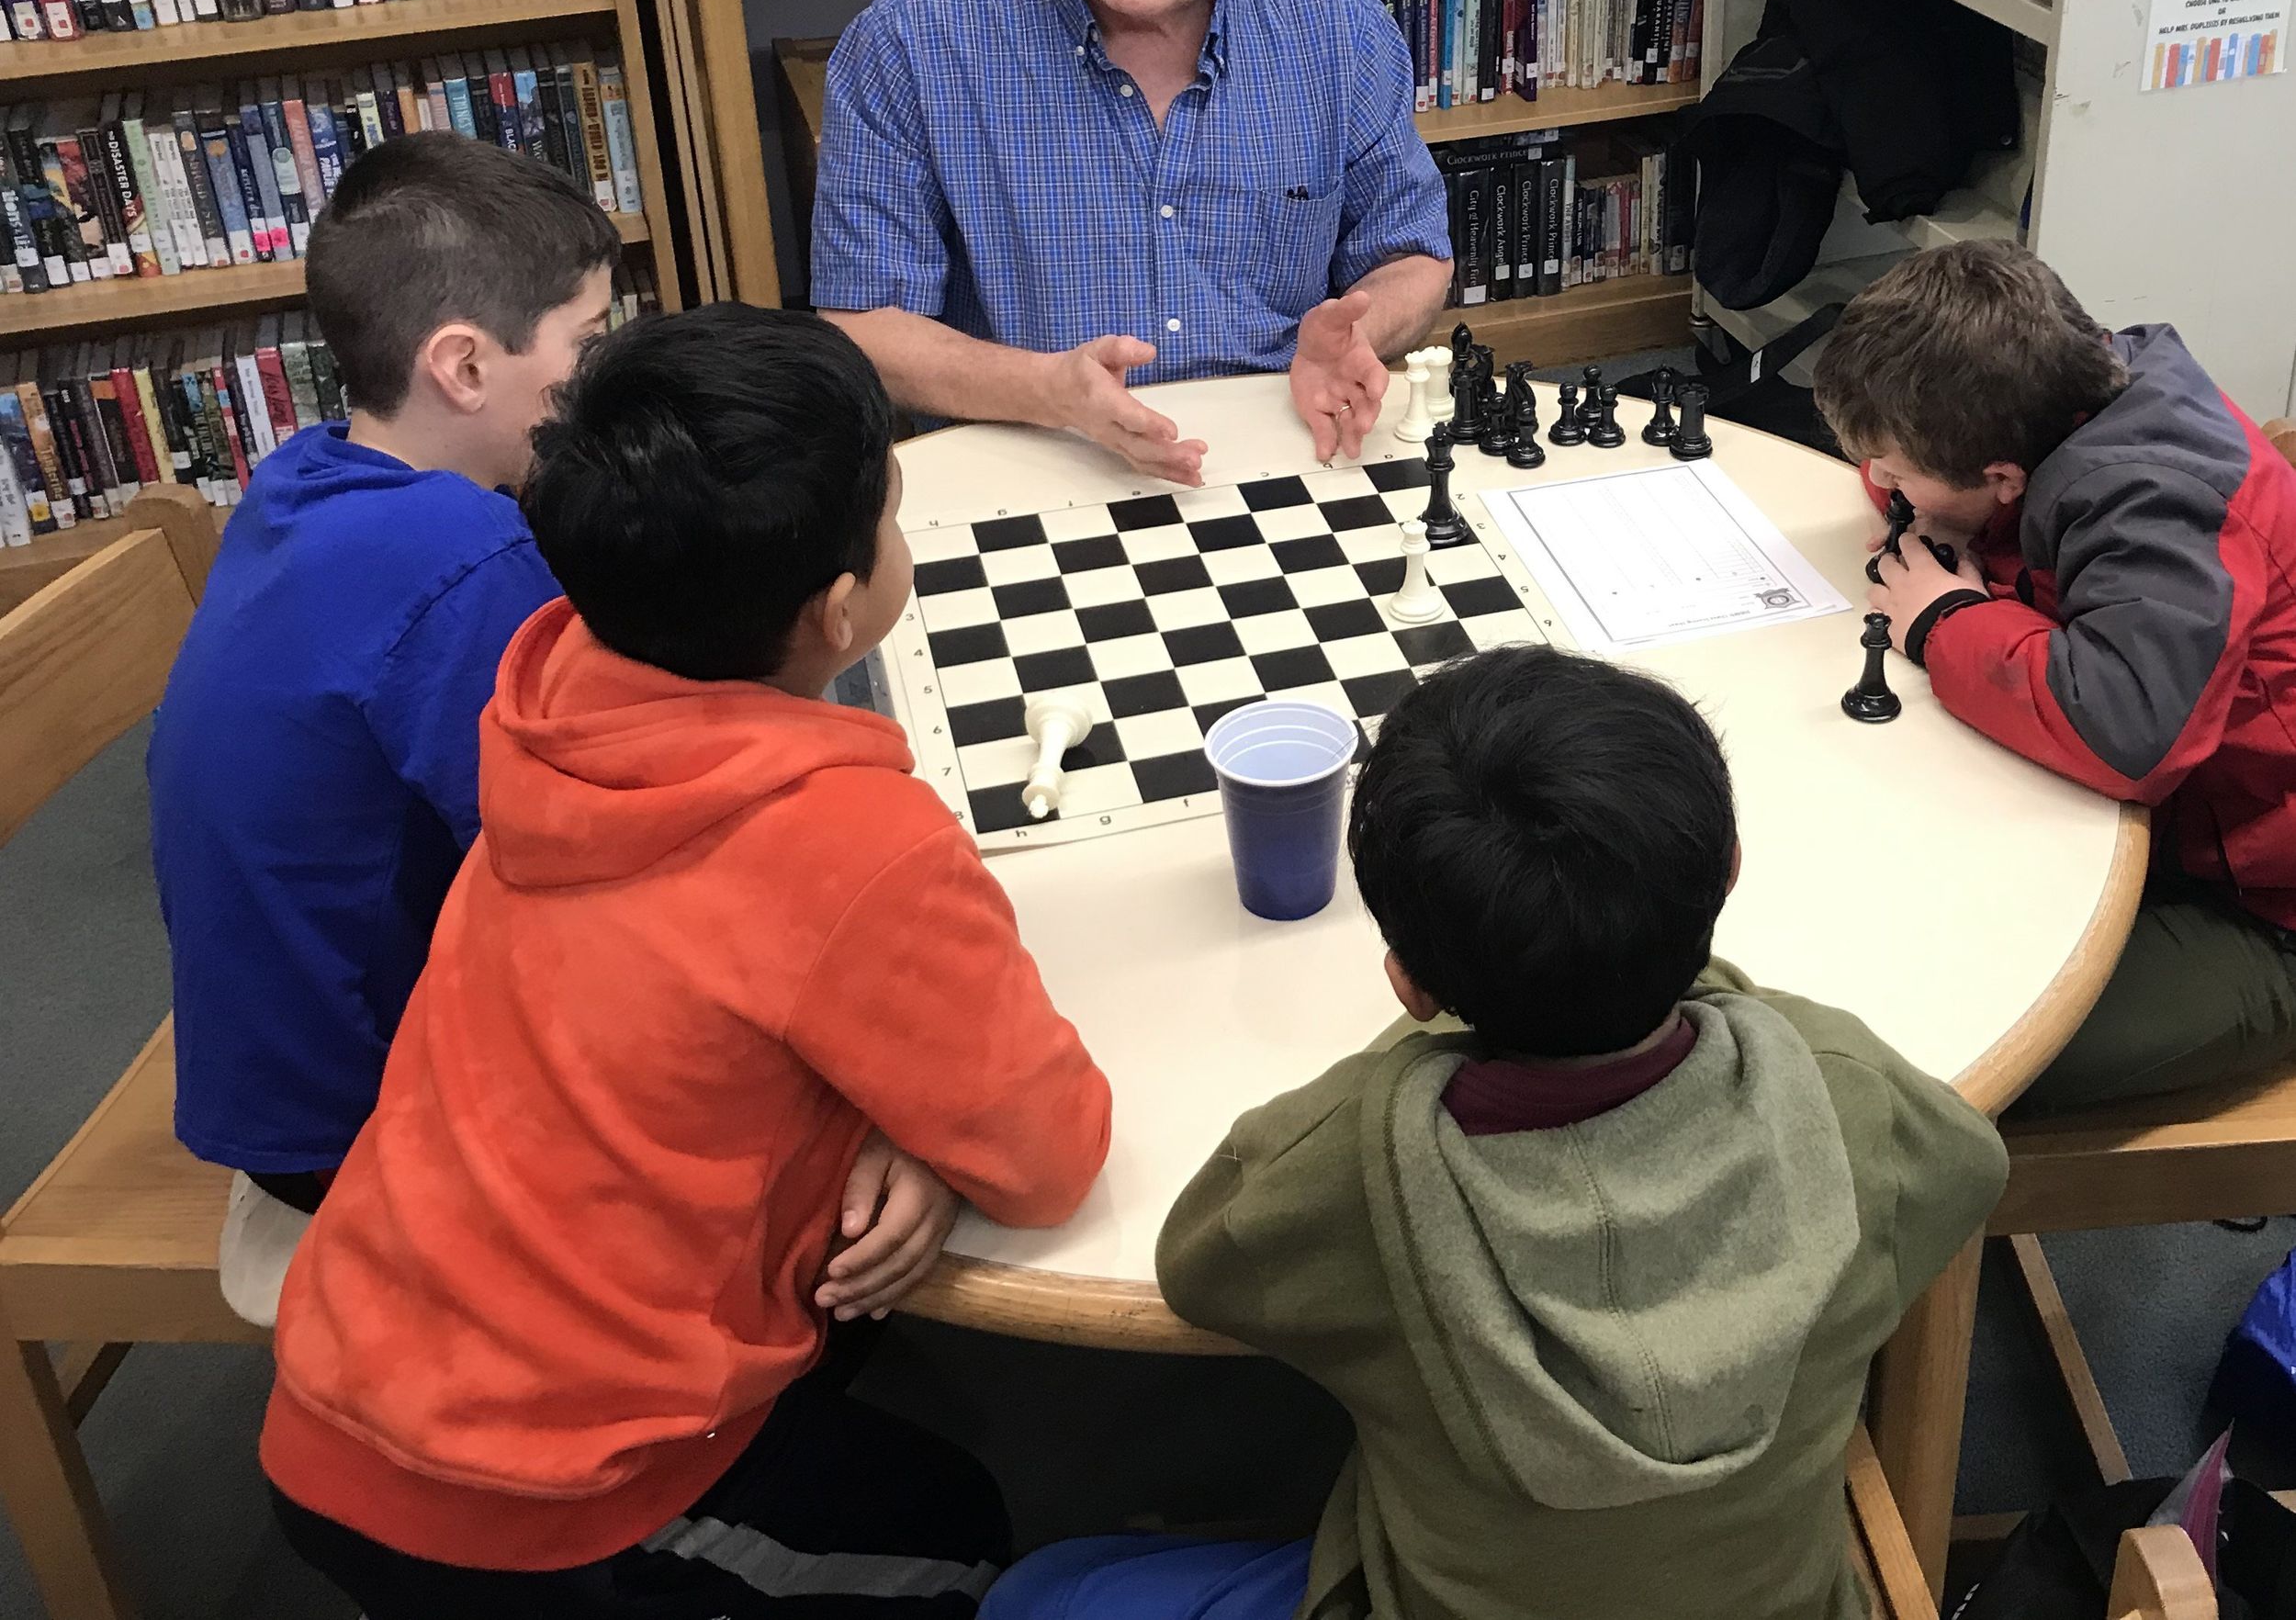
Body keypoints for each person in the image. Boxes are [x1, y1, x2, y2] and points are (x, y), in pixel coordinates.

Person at [262, 303, 1111, 1619]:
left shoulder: (547, 694)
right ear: (840, 614)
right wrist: (933, 1125)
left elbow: (702, 989)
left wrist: (896, 1109)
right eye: (889, 516)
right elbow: (1052, 1154)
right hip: (529, 1505)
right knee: (956, 1530)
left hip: (345, 1368)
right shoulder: (850, 846)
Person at [981, 648, 2006, 1620]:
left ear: (1410, 983)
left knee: (1045, 1590)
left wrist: (1427, 1026)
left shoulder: (1347, 1166)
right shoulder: (1847, 1093)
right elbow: (1969, 1168)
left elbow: (1199, 1264)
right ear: (1728, 872)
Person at [146, 133, 618, 1324]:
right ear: (464, 365)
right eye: (586, 347)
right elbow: (590, 864)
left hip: (263, 1074)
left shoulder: (307, 473)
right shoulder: (466, 563)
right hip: (356, 1129)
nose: (600, 380)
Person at [810, 0, 1452, 484]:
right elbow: (862, 325)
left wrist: (1360, 329)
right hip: (1032, 461)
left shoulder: (1336, 23)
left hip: (1289, 444)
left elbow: (1413, 253)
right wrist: (1047, 391)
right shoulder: (911, 43)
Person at [1816, 240, 2296, 1114]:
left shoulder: (2160, 502)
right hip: (2177, 825)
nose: (1879, 485)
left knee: (1928, 1072)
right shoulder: (2057, 403)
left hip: (2264, 907)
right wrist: (1922, 497)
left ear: (2000, 475)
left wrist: (1945, 619)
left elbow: (2126, 733)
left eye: (1898, 473)